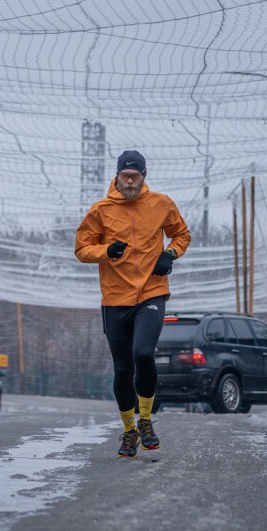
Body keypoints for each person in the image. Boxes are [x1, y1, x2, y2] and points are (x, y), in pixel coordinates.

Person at [75, 150, 191, 458]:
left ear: (143, 176)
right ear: (116, 175)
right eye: (125, 175)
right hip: (114, 299)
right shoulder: (100, 210)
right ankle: (128, 432)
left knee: (143, 353)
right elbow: (82, 248)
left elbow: (182, 234)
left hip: (151, 293)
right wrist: (105, 251)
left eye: (135, 175)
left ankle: (146, 421)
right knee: (123, 369)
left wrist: (170, 255)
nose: (130, 180)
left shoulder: (161, 204)